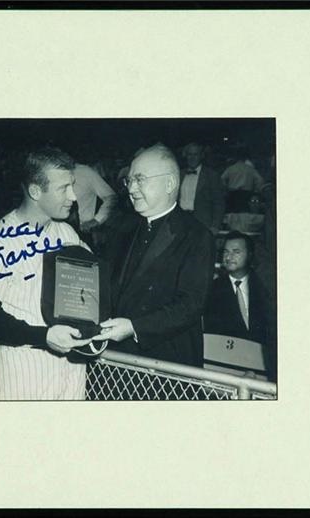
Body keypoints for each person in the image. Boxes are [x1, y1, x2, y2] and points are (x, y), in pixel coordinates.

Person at [0, 146, 93, 400]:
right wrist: (44, 336)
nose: (74, 196)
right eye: (63, 189)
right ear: (35, 191)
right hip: (21, 379)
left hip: (71, 376)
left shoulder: (67, 234)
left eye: (73, 185)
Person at [92, 144, 215, 367]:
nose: (131, 188)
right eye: (129, 180)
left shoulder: (197, 236)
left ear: (170, 183)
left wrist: (135, 327)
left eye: (140, 179)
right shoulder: (121, 228)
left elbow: (191, 305)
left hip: (167, 364)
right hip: (119, 362)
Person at [203, 231, 276, 380]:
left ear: (250, 255)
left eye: (236, 252)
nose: (229, 257)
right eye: (226, 252)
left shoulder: (266, 286)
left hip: (266, 368)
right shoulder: (211, 289)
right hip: (228, 368)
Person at [179, 143, 225, 235]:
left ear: (201, 156)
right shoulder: (179, 174)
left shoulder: (212, 176)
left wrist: (215, 226)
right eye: (189, 154)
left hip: (203, 223)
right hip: (181, 222)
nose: (192, 157)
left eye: (195, 154)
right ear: (186, 156)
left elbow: (219, 203)